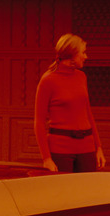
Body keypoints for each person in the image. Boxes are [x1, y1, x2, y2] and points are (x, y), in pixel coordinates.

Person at [34, 33, 105, 173]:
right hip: (60, 150)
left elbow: (88, 114)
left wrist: (98, 147)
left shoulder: (81, 77)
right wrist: (46, 158)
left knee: (88, 186)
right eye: (83, 53)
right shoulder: (48, 80)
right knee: (64, 187)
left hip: (87, 147)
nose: (86, 57)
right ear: (71, 54)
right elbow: (39, 122)